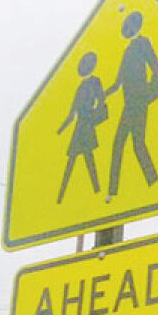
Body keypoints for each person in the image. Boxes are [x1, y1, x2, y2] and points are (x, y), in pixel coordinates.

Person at [106, 10, 158, 198]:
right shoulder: (128, 50)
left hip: (138, 101)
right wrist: (105, 94)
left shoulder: (143, 43)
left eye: (130, 26)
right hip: (128, 103)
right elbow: (118, 82)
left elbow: (155, 64)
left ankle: (153, 182)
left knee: (136, 143)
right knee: (121, 143)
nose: (127, 29)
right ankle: (113, 192)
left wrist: (150, 86)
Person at [56, 52, 106, 203]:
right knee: (75, 159)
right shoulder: (80, 88)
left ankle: (97, 191)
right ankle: (61, 197)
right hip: (79, 127)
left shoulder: (95, 82)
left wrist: (94, 117)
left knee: (87, 158)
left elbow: (101, 100)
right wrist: (58, 131)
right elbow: (72, 114)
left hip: (87, 124)